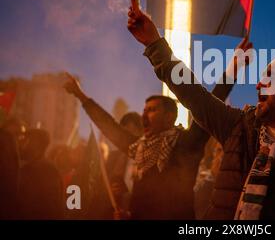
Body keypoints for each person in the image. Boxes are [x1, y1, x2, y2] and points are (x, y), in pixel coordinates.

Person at [126, 7, 275, 219]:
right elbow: (193, 93)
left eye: (271, 77)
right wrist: (155, 44)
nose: (259, 84)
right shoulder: (239, 128)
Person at [63, 39, 250, 219]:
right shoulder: (139, 148)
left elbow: (209, 106)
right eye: (144, 110)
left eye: (152, 110)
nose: (144, 115)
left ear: (169, 116)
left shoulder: (187, 143)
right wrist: (81, 96)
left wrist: (232, 70)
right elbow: (109, 126)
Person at [17, 129, 64, 219]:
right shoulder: (26, 167)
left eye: (26, 139)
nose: (22, 143)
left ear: (36, 144)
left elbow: (51, 206)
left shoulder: (48, 170)